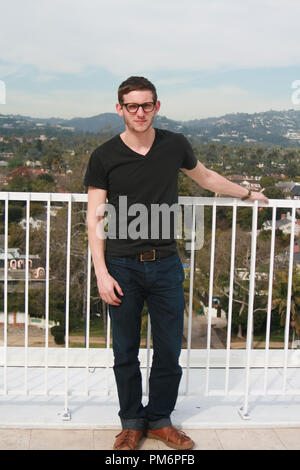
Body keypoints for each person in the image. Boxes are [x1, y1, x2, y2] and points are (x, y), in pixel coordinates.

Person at [84, 76, 268, 450]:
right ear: (120, 109)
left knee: (169, 348)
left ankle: (161, 420)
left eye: (147, 105)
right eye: (132, 106)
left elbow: (206, 178)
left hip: (167, 264)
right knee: (125, 350)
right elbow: (94, 218)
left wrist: (247, 193)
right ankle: (132, 422)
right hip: (121, 266)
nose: (140, 112)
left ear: (157, 106)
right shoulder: (104, 155)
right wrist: (101, 273)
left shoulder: (174, 145)